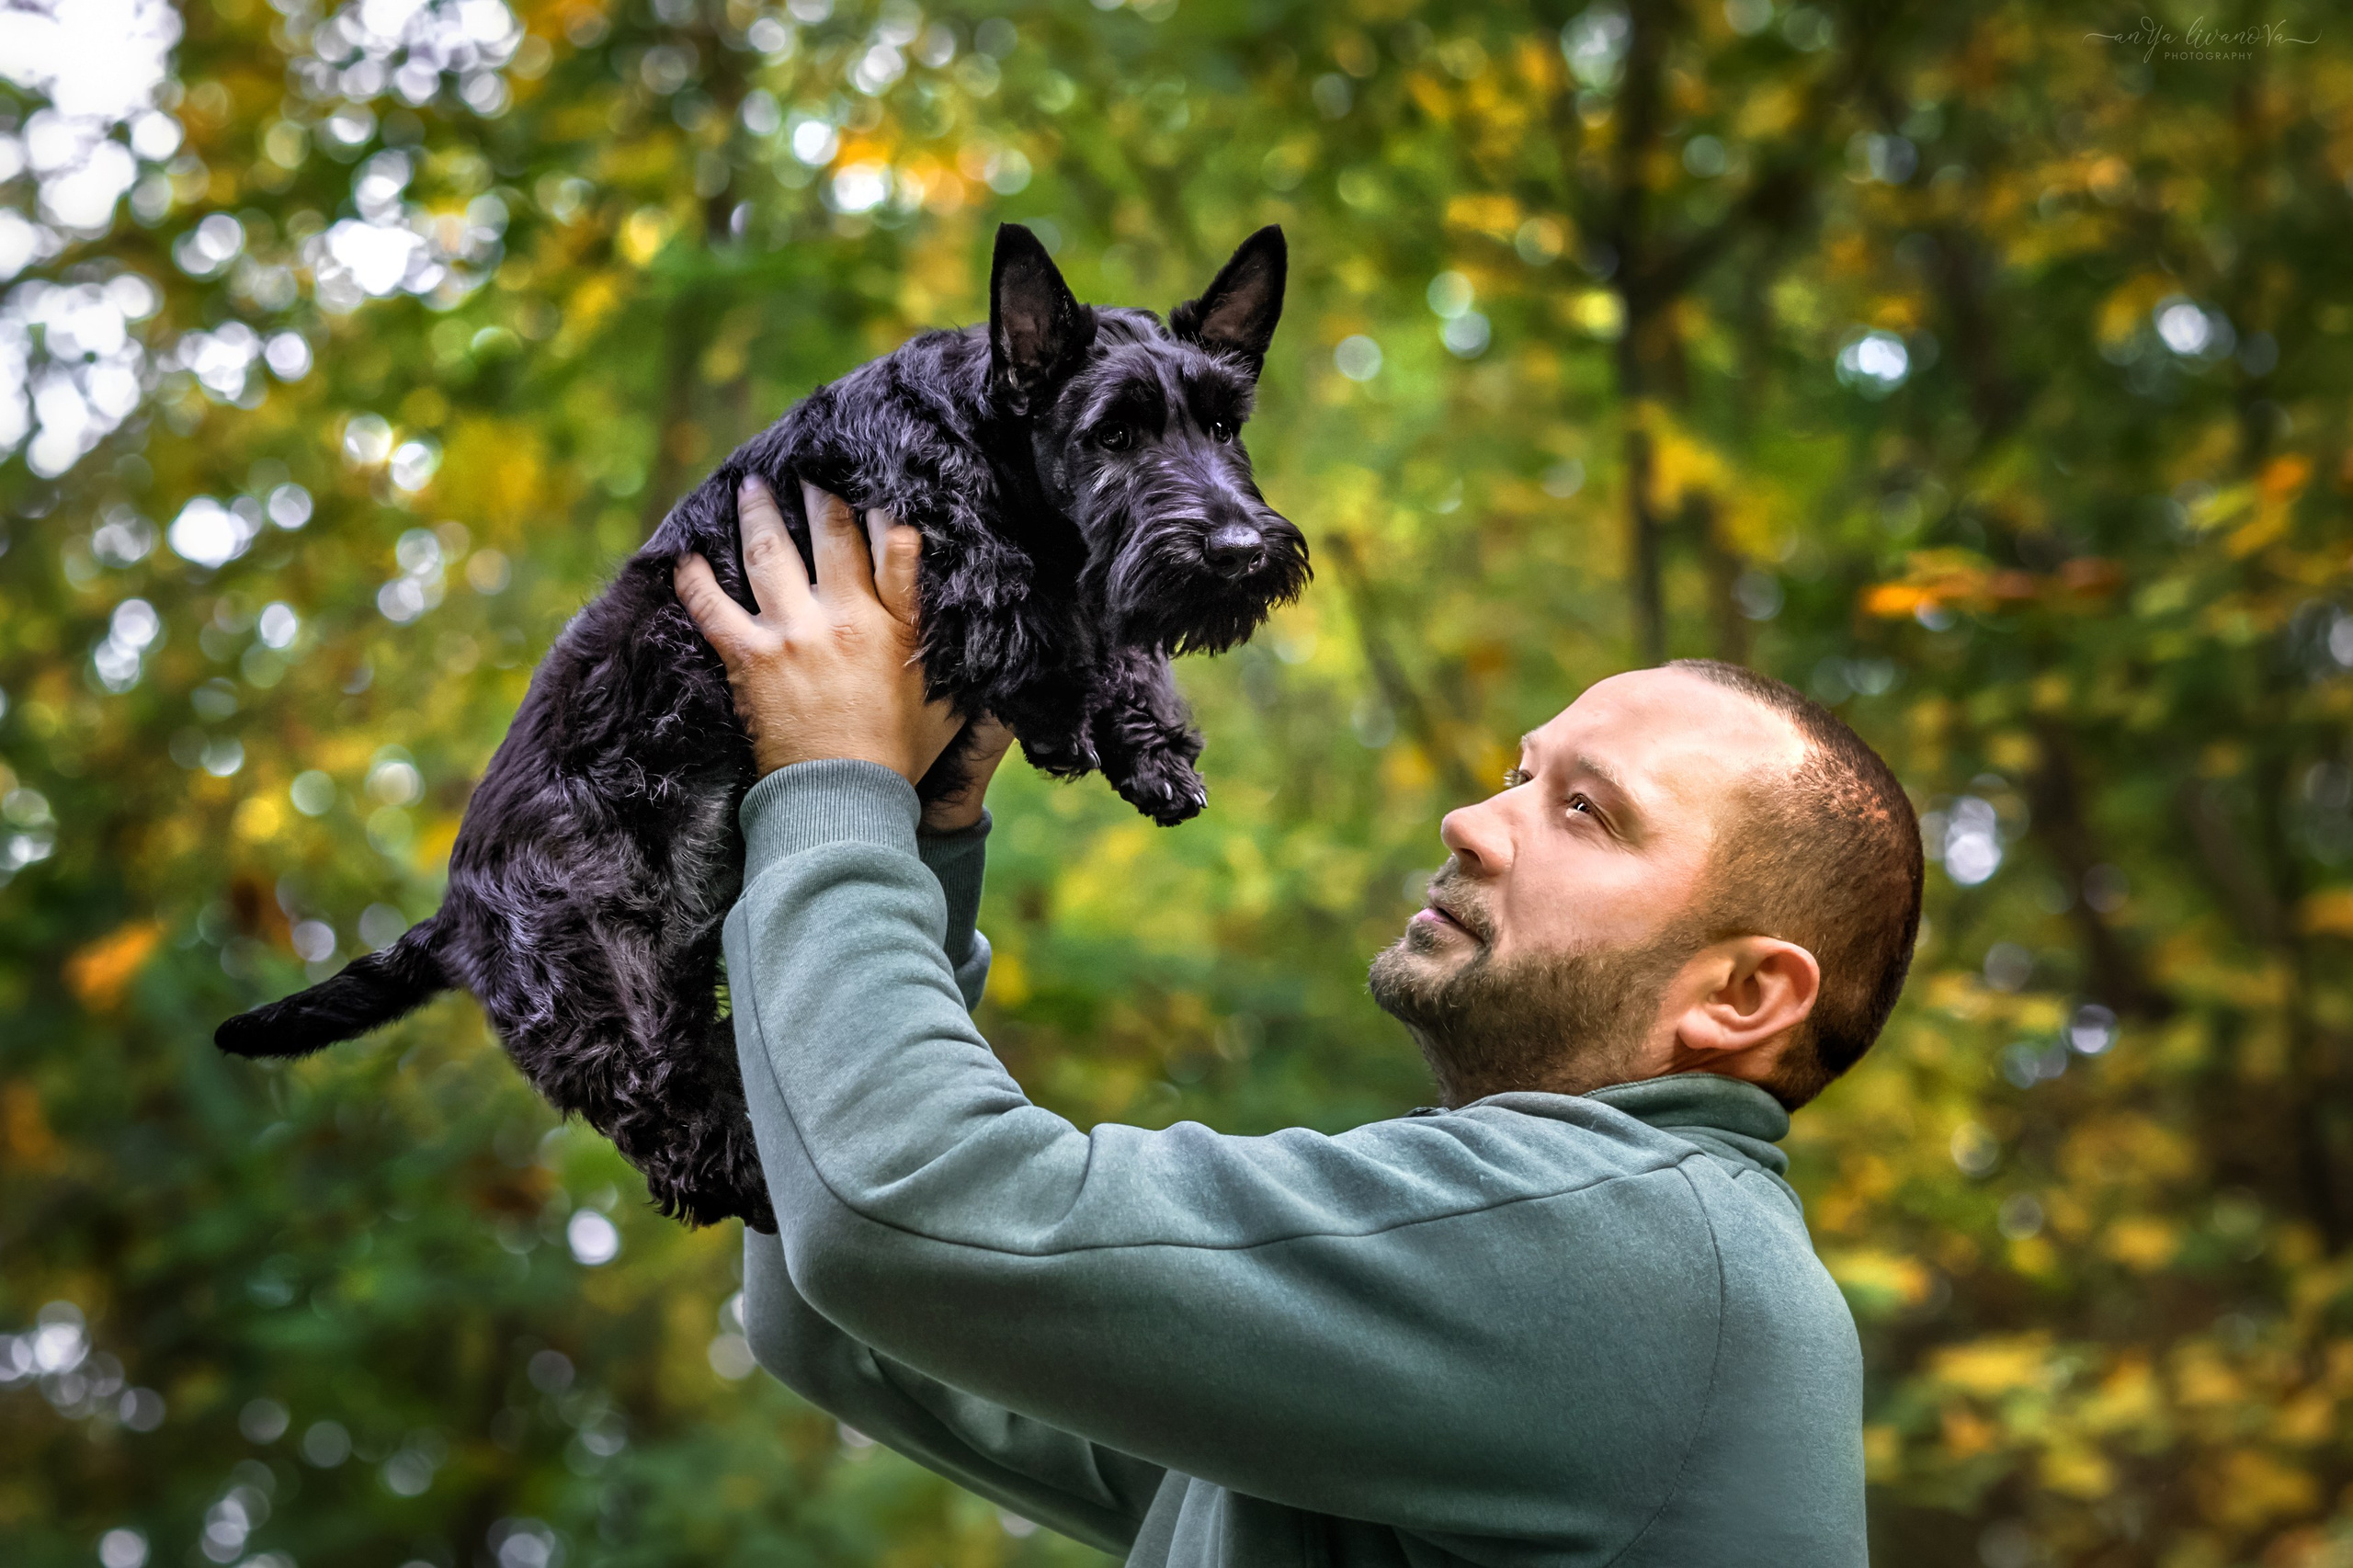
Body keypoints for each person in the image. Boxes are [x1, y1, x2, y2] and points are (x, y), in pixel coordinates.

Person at [671, 475, 1924, 1566]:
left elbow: (899, 1211)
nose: (1475, 822)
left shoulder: (1643, 1255)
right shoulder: (1482, 1348)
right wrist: (929, 826)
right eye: (1517, 776)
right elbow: (850, 1316)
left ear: (1744, 994)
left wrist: (834, 783)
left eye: (1587, 811)